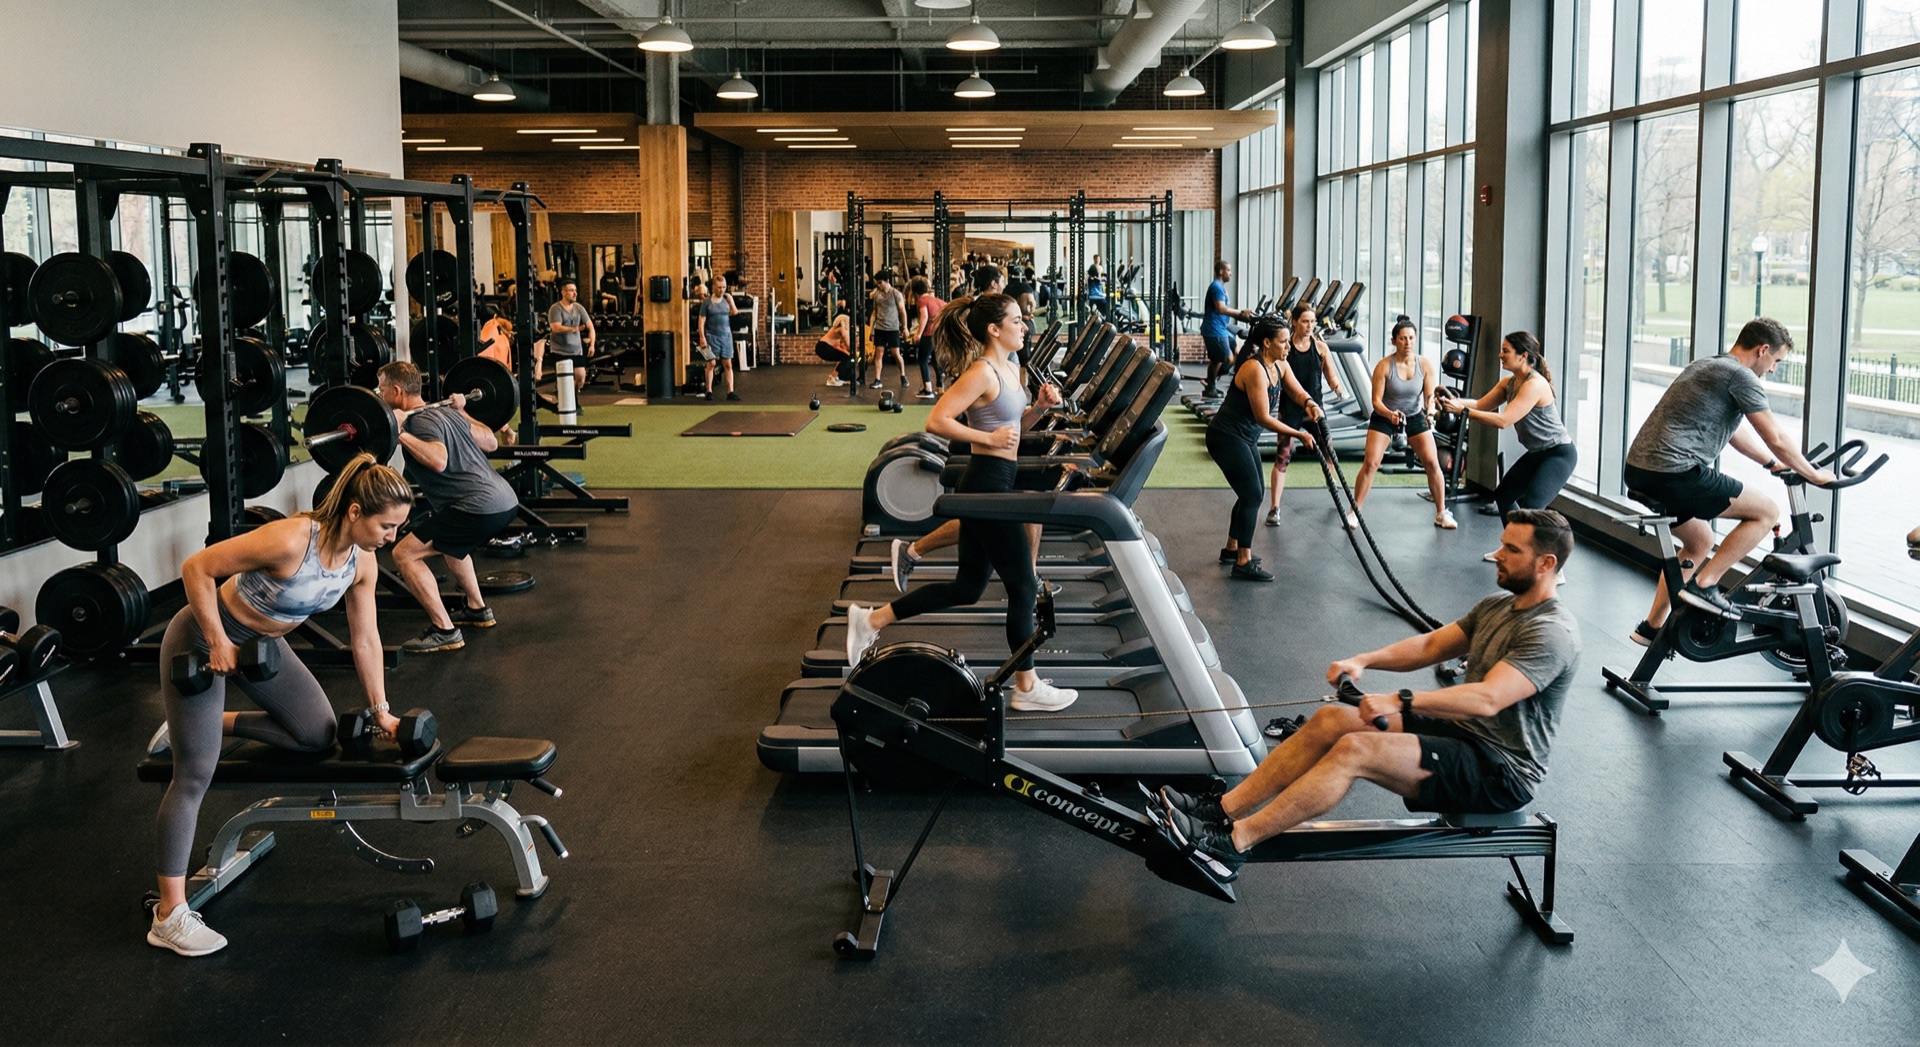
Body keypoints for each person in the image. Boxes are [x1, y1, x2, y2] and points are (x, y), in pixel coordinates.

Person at [1151, 509, 1582, 886]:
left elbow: (1489, 698)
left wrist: (1400, 700)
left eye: (1511, 549)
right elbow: (1432, 647)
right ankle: (1223, 810)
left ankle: (1231, 845)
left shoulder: (1551, 632)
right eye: (1502, 544)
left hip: (1500, 770)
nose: (1498, 554)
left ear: (1546, 563)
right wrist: (1364, 659)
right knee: (1331, 721)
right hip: (1464, 736)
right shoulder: (1497, 606)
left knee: (1355, 750)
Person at [148, 454, 414, 956]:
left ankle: (206, 722)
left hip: (265, 650)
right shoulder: (292, 539)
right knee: (194, 773)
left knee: (316, 732)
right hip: (202, 641)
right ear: (355, 512)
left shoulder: (362, 562)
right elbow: (196, 568)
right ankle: (169, 914)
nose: (392, 537)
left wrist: (382, 710)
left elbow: (367, 639)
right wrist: (216, 638)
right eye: (387, 525)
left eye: (399, 527)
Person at [845, 294, 1076, 712]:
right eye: (1018, 320)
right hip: (985, 484)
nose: (1024, 327)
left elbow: (1012, 429)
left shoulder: (1011, 368)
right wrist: (986, 439)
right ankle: (1027, 688)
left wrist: (1038, 409)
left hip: (994, 481)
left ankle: (871, 619)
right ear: (994, 329)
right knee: (1023, 586)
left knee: (968, 587)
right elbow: (937, 419)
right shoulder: (982, 372)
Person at [1622, 317, 1831, 638]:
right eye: (1776, 360)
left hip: (1641, 471)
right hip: (1674, 473)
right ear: (1763, 350)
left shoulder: (1709, 365)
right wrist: (1813, 474)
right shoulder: (1741, 377)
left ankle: (1651, 626)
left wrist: (1772, 464)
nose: (1774, 369)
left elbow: (1735, 433)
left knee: (1700, 541)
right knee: (1766, 512)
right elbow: (1774, 435)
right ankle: (1706, 585)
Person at [378, 360, 520, 654]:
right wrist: (462, 411)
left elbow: (438, 460)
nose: (379, 396)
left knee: (404, 554)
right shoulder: (445, 412)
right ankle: (477, 608)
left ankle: (444, 629)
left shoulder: (419, 421)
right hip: (504, 502)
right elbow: (490, 441)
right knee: (451, 543)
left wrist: (398, 431)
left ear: (396, 391)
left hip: (476, 507)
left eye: (381, 390)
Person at [1435, 330, 1578, 555]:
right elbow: (1481, 404)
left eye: (1505, 351)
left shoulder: (1535, 385)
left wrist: (1462, 411)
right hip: (1538, 452)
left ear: (1523, 355)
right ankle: (1514, 549)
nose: (1500, 355)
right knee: (1504, 495)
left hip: (1558, 454)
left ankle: (1550, 563)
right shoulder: (1509, 383)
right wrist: (1452, 402)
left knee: (1532, 505)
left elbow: (1504, 420)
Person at [1207, 317, 1320, 580]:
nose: (1287, 346)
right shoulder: (1254, 369)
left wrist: (1310, 403)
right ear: (1267, 343)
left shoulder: (1279, 364)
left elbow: (1296, 390)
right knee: (1252, 494)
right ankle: (1243, 561)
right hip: (1226, 437)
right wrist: (1298, 433)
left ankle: (1232, 549)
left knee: (1252, 493)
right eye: (1283, 341)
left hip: (1244, 438)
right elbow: (1263, 417)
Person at [1349, 317, 1456, 530]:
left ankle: (1441, 512)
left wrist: (1431, 412)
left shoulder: (1424, 365)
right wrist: (1390, 415)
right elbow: (1375, 402)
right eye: (1402, 339)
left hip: (1414, 415)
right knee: (1371, 463)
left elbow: (1429, 396)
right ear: (1394, 341)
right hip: (1385, 415)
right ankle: (1354, 511)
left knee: (1432, 463)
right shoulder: (1384, 366)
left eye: (1411, 338)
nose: (1407, 343)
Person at [1264, 302, 1345, 526]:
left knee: (1329, 453)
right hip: (1290, 411)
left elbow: (1331, 375)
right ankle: (1274, 508)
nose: (1309, 326)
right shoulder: (1284, 347)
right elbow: (1272, 371)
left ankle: (1336, 496)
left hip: (1315, 410)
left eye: (1312, 322)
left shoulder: (1320, 348)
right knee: (1282, 458)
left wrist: (1338, 388)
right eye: (1305, 322)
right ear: (1295, 322)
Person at [1200, 260, 1253, 399]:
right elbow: (1221, 308)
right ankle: (1210, 382)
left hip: (1219, 329)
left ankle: (1209, 384)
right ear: (1221, 272)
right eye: (1228, 270)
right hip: (1214, 329)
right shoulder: (1217, 287)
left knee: (1228, 352)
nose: (1230, 273)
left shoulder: (1220, 287)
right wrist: (1241, 313)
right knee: (1228, 359)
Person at [545, 279, 594, 398]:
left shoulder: (579, 308)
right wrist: (575, 329)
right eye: (571, 291)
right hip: (559, 350)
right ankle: (565, 400)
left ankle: (573, 397)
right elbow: (556, 328)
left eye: (575, 290)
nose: (575, 293)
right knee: (563, 380)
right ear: (563, 292)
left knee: (581, 376)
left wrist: (592, 344)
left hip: (576, 350)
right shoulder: (555, 309)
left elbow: (590, 327)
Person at [699, 273, 741, 402]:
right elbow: (701, 321)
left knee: (727, 364)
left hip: (726, 336)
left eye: (723, 287)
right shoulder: (707, 303)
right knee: (711, 364)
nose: (721, 290)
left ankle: (730, 392)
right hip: (711, 336)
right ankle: (709, 391)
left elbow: (735, 312)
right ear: (713, 288)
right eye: (719, 287)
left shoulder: (727, 300)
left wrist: (731, 300)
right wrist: (702, 337)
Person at [867, 268, 910, 390]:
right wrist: (870, 329)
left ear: (887, 281)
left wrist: (905, 328)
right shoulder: (876, 295)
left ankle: (903, 376)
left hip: (893, 328)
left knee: (896, 354)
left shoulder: (896, 294)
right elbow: (874, 312)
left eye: (880, 282)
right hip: (880, 328)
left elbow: (902, 311)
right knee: (878, 354)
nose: (878, 285)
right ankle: (877, 380)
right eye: (877, 283)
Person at [908, 275, 944, 400]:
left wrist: (918, 334)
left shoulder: (921, 301)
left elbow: (924, 317)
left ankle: (928, 390)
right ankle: (940, 386)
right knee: (935, 360)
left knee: (923, 360)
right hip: (939, 335)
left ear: (915, 293)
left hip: (928, 334)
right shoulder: (938, 301)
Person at [815, 310, 855, 387]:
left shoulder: (837, 330)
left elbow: (844, 345)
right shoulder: (840, 328)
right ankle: (834, 379)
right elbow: (848, 344)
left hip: (823, 346)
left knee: (846, 356)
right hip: (823, 347)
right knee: (847, 357)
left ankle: (840, 378)